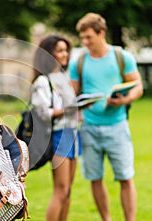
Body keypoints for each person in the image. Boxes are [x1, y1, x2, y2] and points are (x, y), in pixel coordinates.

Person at [68, 13, 143, 221]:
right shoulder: (79, 61)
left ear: (101, 33)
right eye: (82, 38)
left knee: (126, 178)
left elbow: (138, 87)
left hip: (117, 126)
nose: (85, 42)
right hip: (89, 128)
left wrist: (124, 100)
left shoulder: (121, 57)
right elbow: (71, 95)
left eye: (89, 37)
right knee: (95, 178)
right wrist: (80, 103)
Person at [31, 35, 81, 221]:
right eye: (59, 50)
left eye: (66, 50)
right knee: (60, 190)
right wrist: (67, 110)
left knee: (68, 191)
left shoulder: (64, 78)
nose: (65, 54)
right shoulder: (43, 81)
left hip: (73, 133)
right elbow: (42, 113)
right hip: (58, 135)